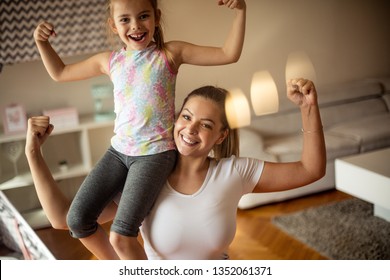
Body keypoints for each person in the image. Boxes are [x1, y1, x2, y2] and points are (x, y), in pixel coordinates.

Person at [33, 0, 246, 260]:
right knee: (77, 220)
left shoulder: (169, 54)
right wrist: (42, 43)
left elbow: (228, 53)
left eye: (143, 16)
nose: (135, 25)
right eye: (125, 20)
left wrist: (240, 11)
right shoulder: (109, 61)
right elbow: (60, 72)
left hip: (154, 156)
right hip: (118, 153)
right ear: (113, 25)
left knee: (122, 234)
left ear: (156, 17)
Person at [25, 78, 326, 259]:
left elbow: (310, 170)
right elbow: (65, 220)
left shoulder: (235, 172)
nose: (190, 129)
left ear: (221, 136)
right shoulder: (144, 178)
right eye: (186, 116)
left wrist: (308, 108)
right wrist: (33, 153)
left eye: (205, 124)